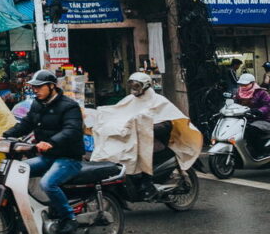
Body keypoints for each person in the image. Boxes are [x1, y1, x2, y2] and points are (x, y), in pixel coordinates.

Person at [86, 72, 203, 201]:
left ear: (145, 86)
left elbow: (166, 123)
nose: (134, 88)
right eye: (131, 85)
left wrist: (145, 128)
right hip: (135, 138)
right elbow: (116, 112)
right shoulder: (130, 100)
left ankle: (146, 183)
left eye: (137, 85)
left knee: (139, 151)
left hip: (155, 141)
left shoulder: (159, 101)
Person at [2, 70, 84, 234]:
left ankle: (69, 218)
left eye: (39, 87)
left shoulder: (69, 106)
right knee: (15, 171)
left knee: (48, 183)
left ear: (52, 86)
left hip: (68, 158)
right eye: (33, 87)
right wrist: (5, 136)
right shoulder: (37, 104)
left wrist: (51, 142)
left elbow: (72, 130)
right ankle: (27, 214)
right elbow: (25, 124)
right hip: (47, 157)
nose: (35, 90)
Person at [233, 73, 270, 155]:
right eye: (241, 84)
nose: (243, 86)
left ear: (252, 83)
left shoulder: (261, 92)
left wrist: (260, 111)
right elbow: (234, 104)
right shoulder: (238, 92)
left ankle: (259, 152)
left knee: (252, 130)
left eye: (245, 84)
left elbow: (268, 105)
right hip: (243, 119)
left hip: (262, 120)